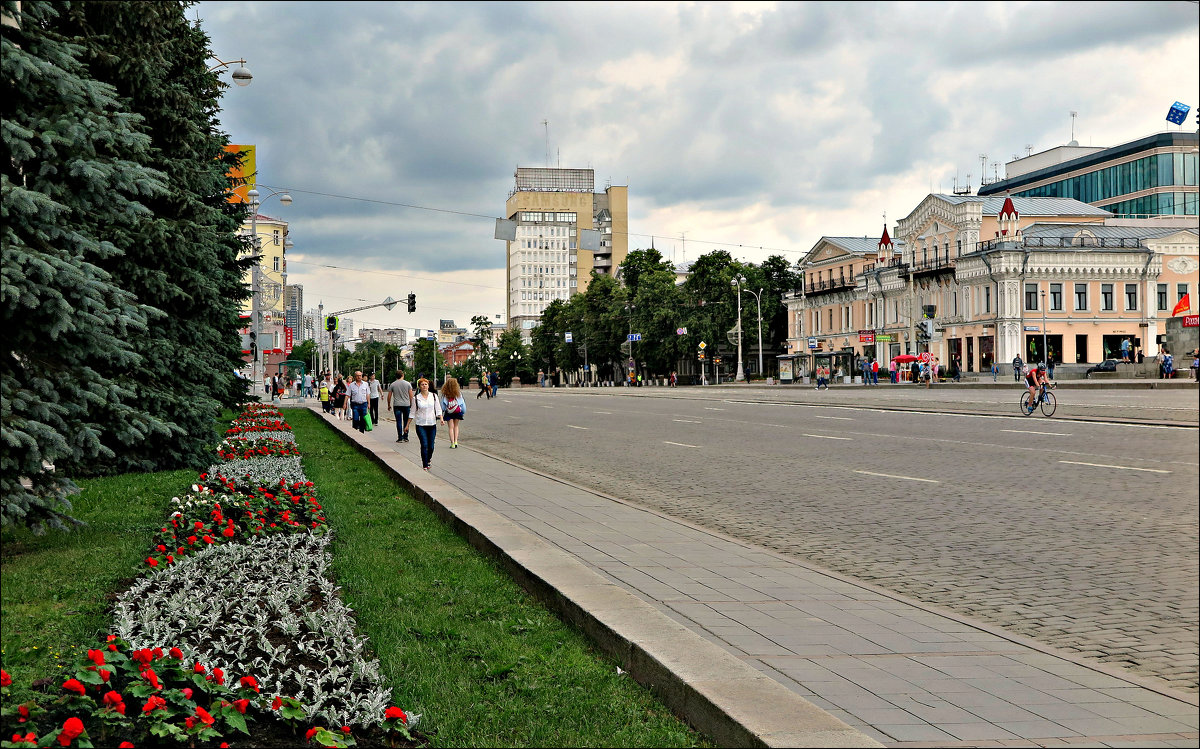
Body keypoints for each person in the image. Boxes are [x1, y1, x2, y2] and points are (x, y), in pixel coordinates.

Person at [407, 378, 443, 471]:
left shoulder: (434, 396)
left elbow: (438, 409)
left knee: (431, 446)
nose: (424, 386)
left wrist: (441, 419)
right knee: (424, 444)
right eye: (422, 384)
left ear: (428, 386)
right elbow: (412, 412)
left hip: (432, 424)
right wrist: (407, 425)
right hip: (420, 424)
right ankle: (425, 465)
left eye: (426, 384)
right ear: (419, 387)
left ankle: (428, 459)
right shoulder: (416, 399)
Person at [388, 369, 413, 443]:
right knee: (406, 421)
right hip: (406, 405)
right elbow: (411, 396)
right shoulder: (408, 384)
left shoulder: (392, 384)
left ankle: (400, 437)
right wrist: (412, 405)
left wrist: (389, 404)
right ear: (403, 375)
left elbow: (389, 396)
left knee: (398, 421)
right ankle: (406, 436)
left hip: (397, 405)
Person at [440, 376, 466, 448]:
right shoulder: (458, 394)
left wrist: (441, 413)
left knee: (451, 427)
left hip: (449, 412)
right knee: (456, 426)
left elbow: (443, 406)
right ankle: (456, 441)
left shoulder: (445, 394)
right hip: (457, 411)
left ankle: (452, 443)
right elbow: (462, 404)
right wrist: (463, 411)